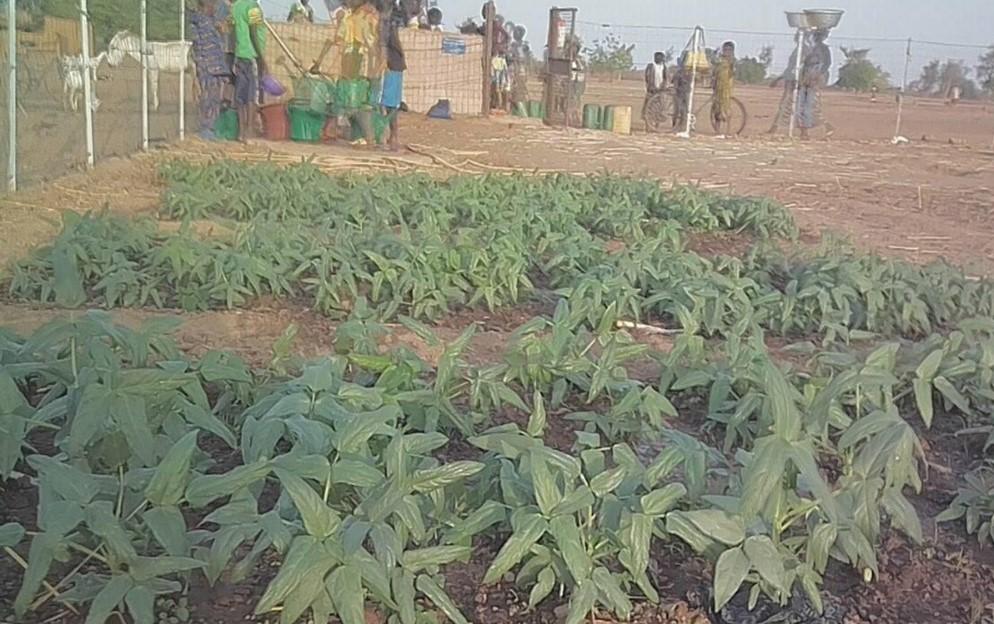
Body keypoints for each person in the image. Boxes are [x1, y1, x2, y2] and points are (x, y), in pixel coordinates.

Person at [336, 0, 381, 147]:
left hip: (363, 61)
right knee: (354, 100)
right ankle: (361, 135)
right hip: (352, 60)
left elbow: (372, 42)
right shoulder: (349, 16)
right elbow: (340, 39)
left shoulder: (368, 17)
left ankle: (370, 137)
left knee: (365, 102)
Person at [189, 0, 230, 139]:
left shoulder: (213, 21)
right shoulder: (197, 22)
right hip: (207, 65)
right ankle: (205, 129)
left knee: (216, 99)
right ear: (205, 5)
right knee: (207, 98)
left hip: (218, 65)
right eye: (213, 4)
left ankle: (212, 128)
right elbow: (194, 45)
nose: (215, 7)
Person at [230, 0, 267, 141]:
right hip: (251, 55)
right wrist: (261, 58)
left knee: (240, 95)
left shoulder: (236, 6)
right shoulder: (252, 7)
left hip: (239, 54)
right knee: (252, 95)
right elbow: (254, 32)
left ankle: (241, 130)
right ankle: (249, 130)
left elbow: (233, 30)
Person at [798, 29, 832, 139]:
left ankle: (806, 131)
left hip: (814, 80)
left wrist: (817, 77)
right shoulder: (810, 49)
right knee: (802, 105)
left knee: (809, 106)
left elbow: (826, 65)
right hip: (806, 79)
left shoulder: (823, 49)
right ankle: (805, 130)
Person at [768, 31, 804, 134]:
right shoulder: (797, 51)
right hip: (791, 79)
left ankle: (803, 130)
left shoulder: (804, 50)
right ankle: (774, 128)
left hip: (798, 80)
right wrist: (779, 78)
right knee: (786, 104)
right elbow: (790, 68)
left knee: (796, 106)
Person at [381, 4, 405, 150]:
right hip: (393, 64)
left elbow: (387, 45)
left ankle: (392, 135)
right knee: (388, 103)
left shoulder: (387, 24)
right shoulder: (388, 24)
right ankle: (390, 135)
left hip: (391, 65)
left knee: (390, 104)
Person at [711, 41, 735, 136]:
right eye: (725, 49)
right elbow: (714, 69)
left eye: (729, 50)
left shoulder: (732, 61)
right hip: (718, 86)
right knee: (717, 108)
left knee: (726, 107)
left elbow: (732, 74)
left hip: (726, 87)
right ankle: (717, 129)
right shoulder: (720, 60)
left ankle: (727, 130)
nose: (727, 52)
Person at [643, 51, 667, 130]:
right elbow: (647, 77)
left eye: (661, 58)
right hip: (651, 90)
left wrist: (663, 86)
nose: (659, 59)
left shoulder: (664, 67)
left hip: (660, 90)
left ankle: (656, 125)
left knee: (659, 108)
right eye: (658, 57)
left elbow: (665, 78)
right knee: (648, 107)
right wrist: (650, 86)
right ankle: (648, 126)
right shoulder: (651, 66)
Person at [508, 24, 530, 114]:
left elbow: (521, 58)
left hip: (519, 71)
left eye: (516, 32)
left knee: (518, 94)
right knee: (511, 91)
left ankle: (522, 113)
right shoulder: (515, 45)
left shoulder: (522, 46)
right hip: (515, 71)